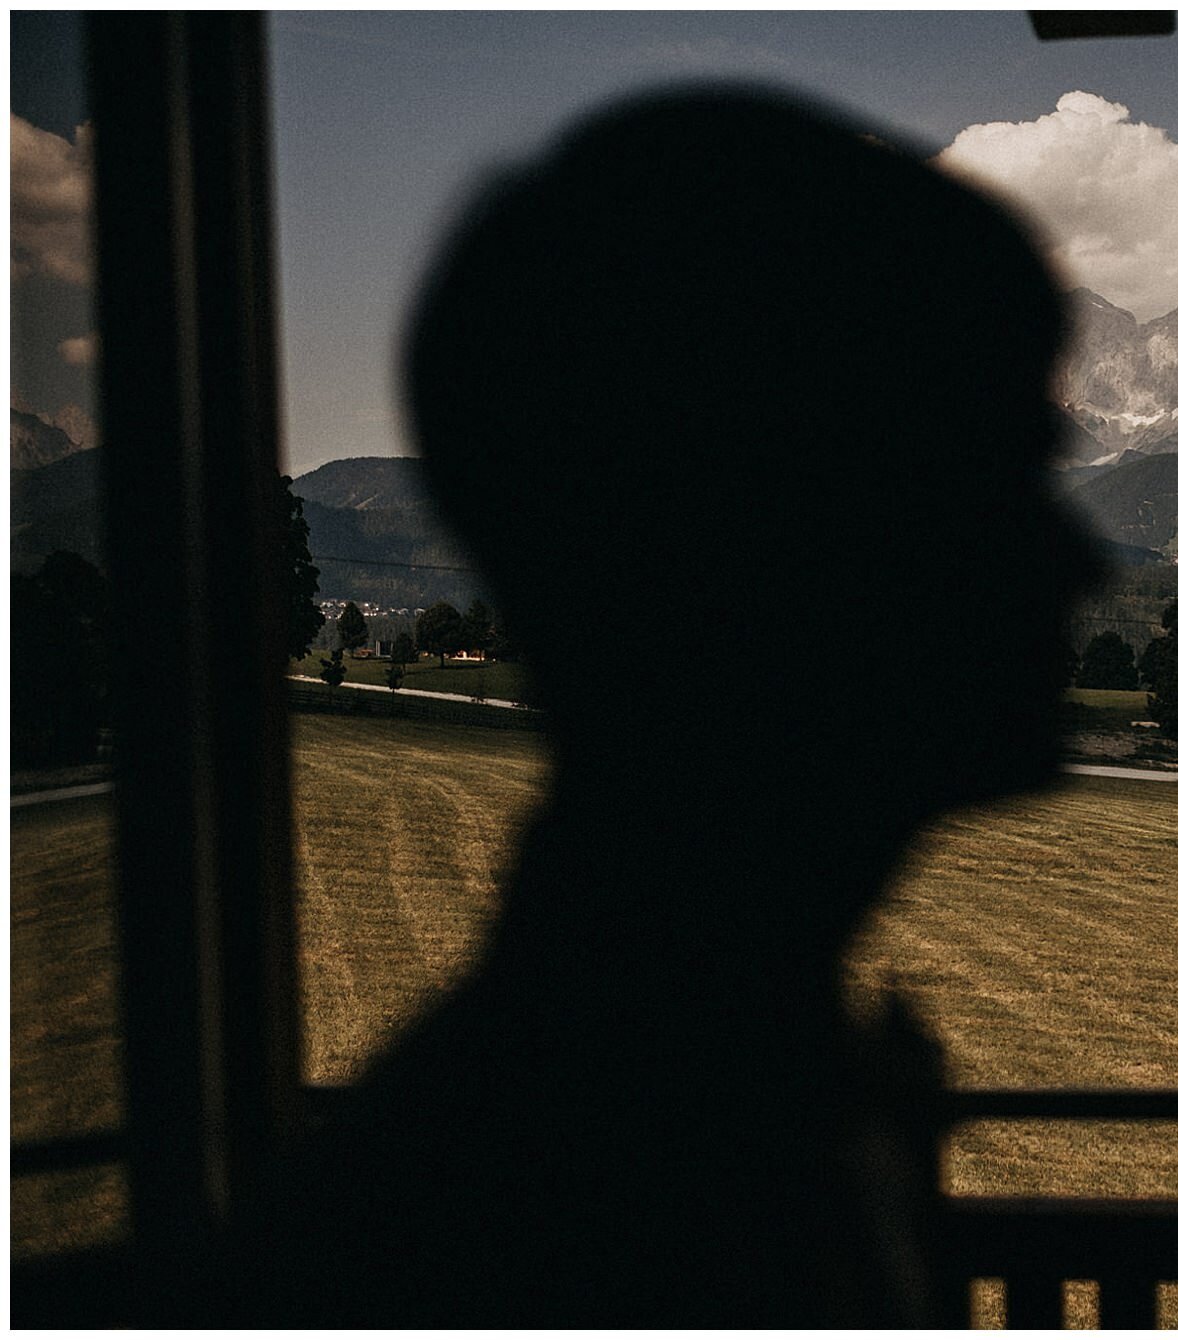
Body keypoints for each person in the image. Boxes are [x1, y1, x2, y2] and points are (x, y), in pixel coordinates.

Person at [223, 86, 1104, 1326]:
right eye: (992, 472)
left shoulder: (655, 1101)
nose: (1080, 562)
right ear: (760, 546)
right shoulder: (575, 1204)